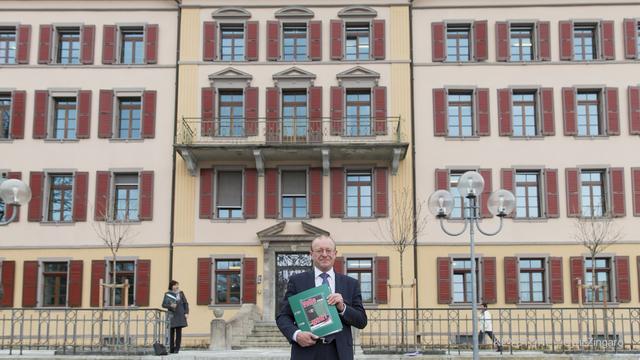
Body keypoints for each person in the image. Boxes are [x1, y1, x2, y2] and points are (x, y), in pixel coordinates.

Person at [276, 235, 368, 360]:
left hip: (339, 353)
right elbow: (283, 316)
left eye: (328, 250)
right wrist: (296, 335)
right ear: (311, 254)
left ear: (335, 254)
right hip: (306, 352)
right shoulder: (297, 281)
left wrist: (342, 308)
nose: (324, 254)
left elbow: (361, 321)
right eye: (319, 251)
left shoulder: (351, 284)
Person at [162, 280, 189, 354]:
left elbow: (185, 303)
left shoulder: (181, 293)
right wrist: (170, 305)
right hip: (172, 315)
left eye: (177, 285)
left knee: (178, 333)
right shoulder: (167, 294)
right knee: (171, 332)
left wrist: (186, 313)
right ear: (171, 286)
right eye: (175, 285)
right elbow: (163, 304)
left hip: (180, 314)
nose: (176, 286)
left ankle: (177, 349)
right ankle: (171, 349)